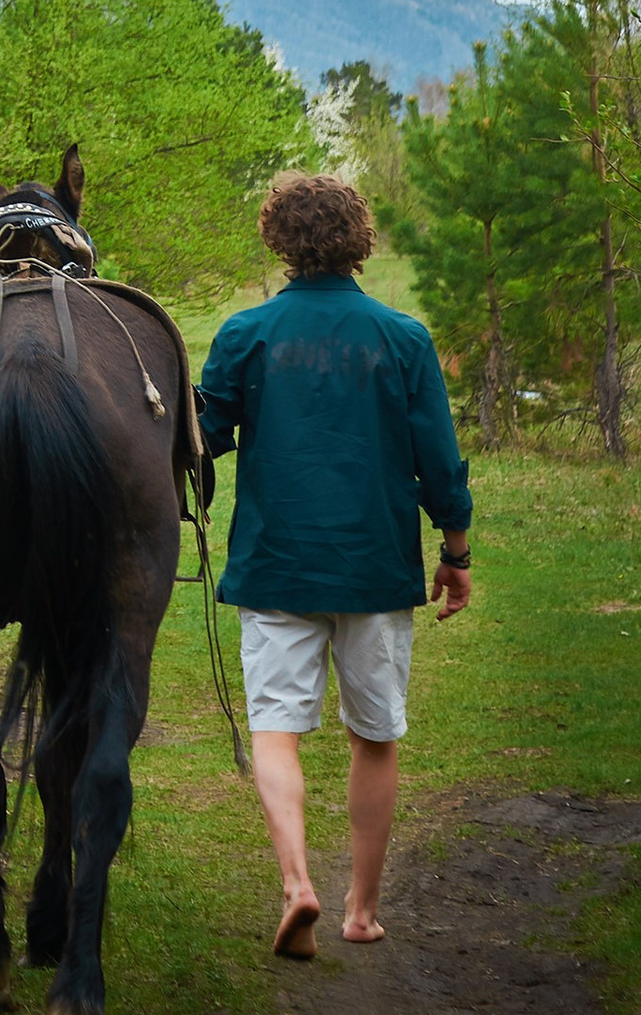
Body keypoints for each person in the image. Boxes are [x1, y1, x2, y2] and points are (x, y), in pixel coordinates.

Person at [195, 169, 473, 959]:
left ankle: (296, 885)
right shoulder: (403, 337)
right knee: (374, 735)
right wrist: (455, 551)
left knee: (276, 729)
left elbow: (201, 435)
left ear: (278, 237)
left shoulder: (245, 333)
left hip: (278, 564)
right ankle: (360, 909)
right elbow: (441, 466)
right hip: (375, 566)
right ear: (360, 238)